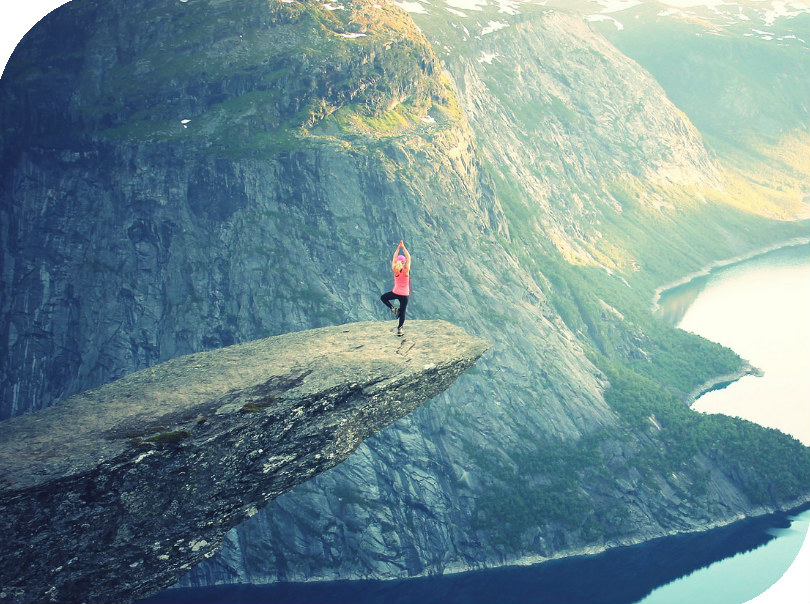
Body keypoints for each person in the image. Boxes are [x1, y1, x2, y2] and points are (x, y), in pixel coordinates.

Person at [380, 240, 411, 336]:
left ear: (397, 262)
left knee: (383, 297)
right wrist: (403, 247)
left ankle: (393, 309)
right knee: (403, 311)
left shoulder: (395, 270)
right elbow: (409, 257)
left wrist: (398, 248)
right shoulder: (406, 271)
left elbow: (394, 258)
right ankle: (400, 329)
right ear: (404, 262)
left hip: (396, 292)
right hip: (405, 294)